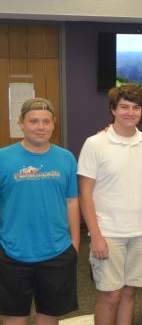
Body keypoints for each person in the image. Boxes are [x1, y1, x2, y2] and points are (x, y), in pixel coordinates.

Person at [78, 84, 142, 325]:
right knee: (110, 294)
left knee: (130, 292)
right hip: (108, 233)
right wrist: (95, 235)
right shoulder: (95, 143)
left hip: (141, 231)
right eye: (124, 107)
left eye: (135, 107)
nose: (130, 112)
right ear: (113, 109)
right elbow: (85, 193)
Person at [0, 98, 80, 325]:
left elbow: (72, 201)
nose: (40, 126)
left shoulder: (66, 158)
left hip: (57, 251)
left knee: (49, 315)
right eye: (34, 121)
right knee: (14, 317)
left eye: (46, 121)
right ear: (21, 124)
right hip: (13, 252)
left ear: (53, 124)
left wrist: (74, 244)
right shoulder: (3, 158)